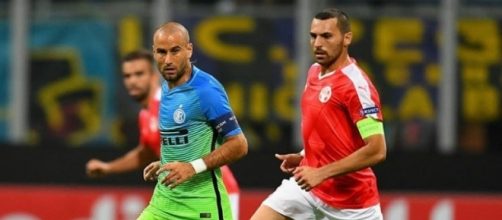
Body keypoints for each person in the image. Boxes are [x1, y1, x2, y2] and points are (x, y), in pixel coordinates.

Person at [251, 8, 387, 220]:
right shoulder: (314, 71)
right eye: (313, 36)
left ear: (347, 38)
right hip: (307, 190)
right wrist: (306, 156)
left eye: (327, 36)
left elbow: (377, 150)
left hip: (352, 205)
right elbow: (329, 131)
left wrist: (321, 172)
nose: (317, 44)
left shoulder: (357, 87)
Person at [85, 49, 242, 219]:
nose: (133, 81)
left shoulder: (172, 104)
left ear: (154, 75)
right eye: (127, 76)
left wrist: (187, 164)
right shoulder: (146, 114)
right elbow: (144, 153)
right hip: (178, 196)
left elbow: (206, 143)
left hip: (210, 194)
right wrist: (108, 168)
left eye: (139, 74)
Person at [138, 22, 248, 220]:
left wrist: (192, 167)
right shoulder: (164, 89)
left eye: (175, 51)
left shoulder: (206, 90)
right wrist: (165, 162)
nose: (168, 60)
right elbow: (186, 137)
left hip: (201, 206)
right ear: (154, 53)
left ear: (189, 50)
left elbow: (239, 145)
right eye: (162, 52)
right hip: (163, 204)